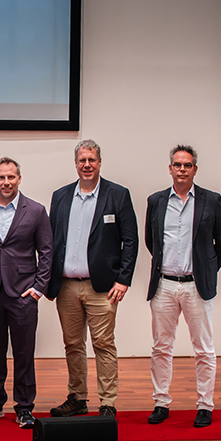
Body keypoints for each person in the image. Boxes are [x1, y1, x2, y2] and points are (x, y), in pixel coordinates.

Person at [47, 139, 138, 418]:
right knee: (73, 345)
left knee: (103, 344)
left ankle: (108, 402)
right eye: (82, 160)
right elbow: (51, 240)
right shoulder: (60, 196)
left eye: (92, 160)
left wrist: (123, 280)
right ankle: (77, 398)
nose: (87, 165)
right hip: (66, 286)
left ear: (99, 163)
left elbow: (131, 241)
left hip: (103, 287)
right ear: (75, 164)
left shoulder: (117, 194)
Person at [145, 145, 221, 428]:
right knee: (161, 347)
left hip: (197, 286)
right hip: (165, 285)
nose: (182, 169)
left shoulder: (211, 200)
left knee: (204, 349)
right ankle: (161, 402)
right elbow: (151, 241)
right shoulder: (156, 201)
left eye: (187, 165)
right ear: (170, 168)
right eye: (178, 165)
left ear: (195, 169)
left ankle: (205, 405)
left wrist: (206, 270)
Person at [0, 158, 52, 428]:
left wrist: (38, 288)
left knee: (24, 352)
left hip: (23, 293)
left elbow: (46, 252)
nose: (6, 182)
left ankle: (24, 407)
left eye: (11, 177)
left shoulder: (36, 210)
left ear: (19, 179)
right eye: (1, 178)